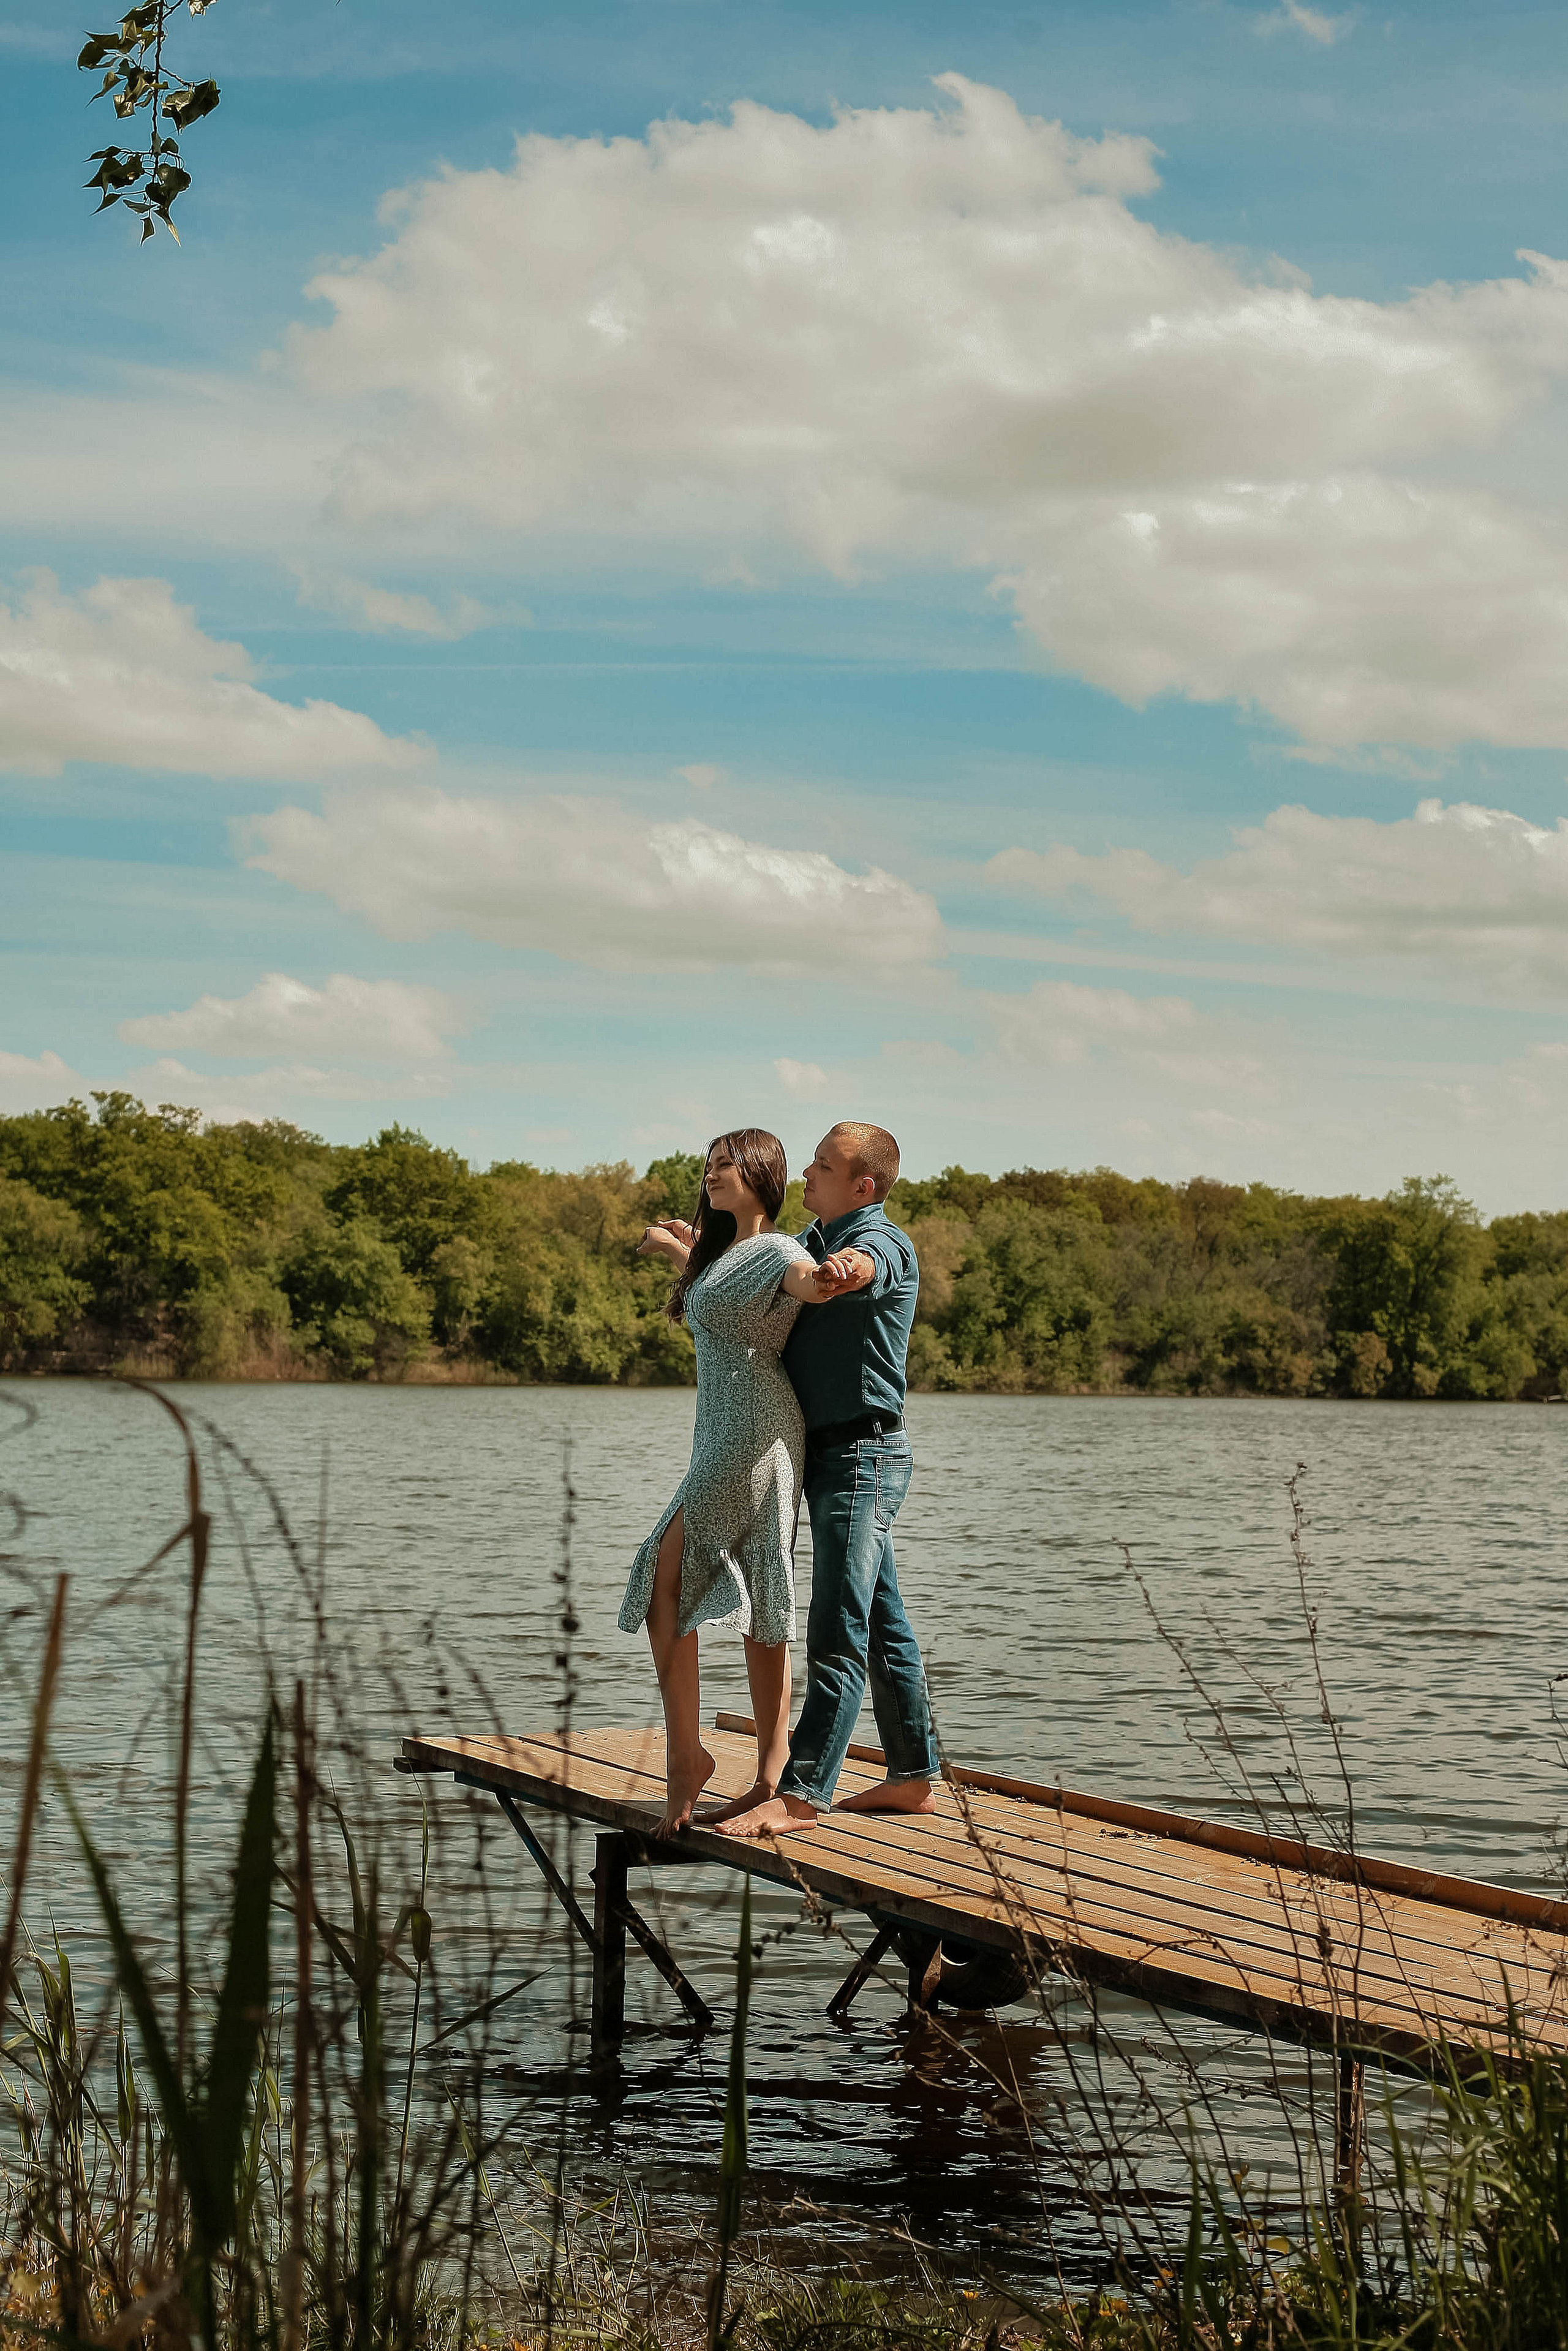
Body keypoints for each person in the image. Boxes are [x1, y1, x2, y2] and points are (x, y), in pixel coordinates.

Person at [619, 1128, 863, 1833]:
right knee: (761, 1593)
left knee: (662, 1577)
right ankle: (767, 1771)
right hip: (722, 1428)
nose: (714, 1173)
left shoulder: (781, 1250)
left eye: (727, 1164)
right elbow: (713, 1282)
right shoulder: (723, 1253)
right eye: (709, 1166)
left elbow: (805, 1283)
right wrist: (673, 1246)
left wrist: (832, 1274)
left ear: (762, 1173)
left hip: (752, 1428)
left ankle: (685, 1759)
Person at [717, 1121, 940, 1842]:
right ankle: (911, 1776)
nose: (806, 1175)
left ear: (862, 1186)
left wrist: (849, 1270)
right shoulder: (807, 1244)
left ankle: (805, 1791)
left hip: (864, 1459)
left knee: (836, 1624)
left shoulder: (882, 1242)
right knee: (880, 1620)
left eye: (822, 1166)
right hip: (832, 1460)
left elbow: (867, 1262)